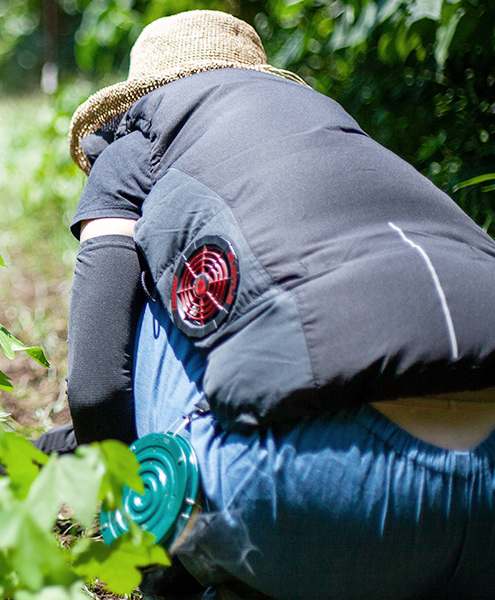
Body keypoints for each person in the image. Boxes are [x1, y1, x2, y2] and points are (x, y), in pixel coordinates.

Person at [55, 10, 495, 600]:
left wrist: (140, 547)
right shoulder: (339, 128)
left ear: (140, 97)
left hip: (317, 501)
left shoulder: (135, 141)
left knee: (143, 289)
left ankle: (207, 531)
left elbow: (97, 387)